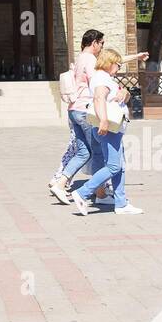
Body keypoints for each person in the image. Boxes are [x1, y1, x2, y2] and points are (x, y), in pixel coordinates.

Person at [71, 48, 143, 216]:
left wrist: (124, 93)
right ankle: (83, 193)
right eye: (118, 65)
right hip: (108, 128)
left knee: (119, 166)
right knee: (113, 166)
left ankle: (121, 203)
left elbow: (117, 97)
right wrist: (103, 120)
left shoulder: (105, 77)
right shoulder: (101, 78)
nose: (119, 68)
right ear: (109, 63)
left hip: (113, 128)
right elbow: (98, 98)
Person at [49, 30, 111, 205]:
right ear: (94, 43)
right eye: (101, 43)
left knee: (84, 152)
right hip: (85, 109)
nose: (101, 47)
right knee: (98, 151)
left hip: (73, 109)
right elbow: (95, 83)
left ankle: (60, 184)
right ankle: (100, 194)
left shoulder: (80, 58)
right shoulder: (90, 59)